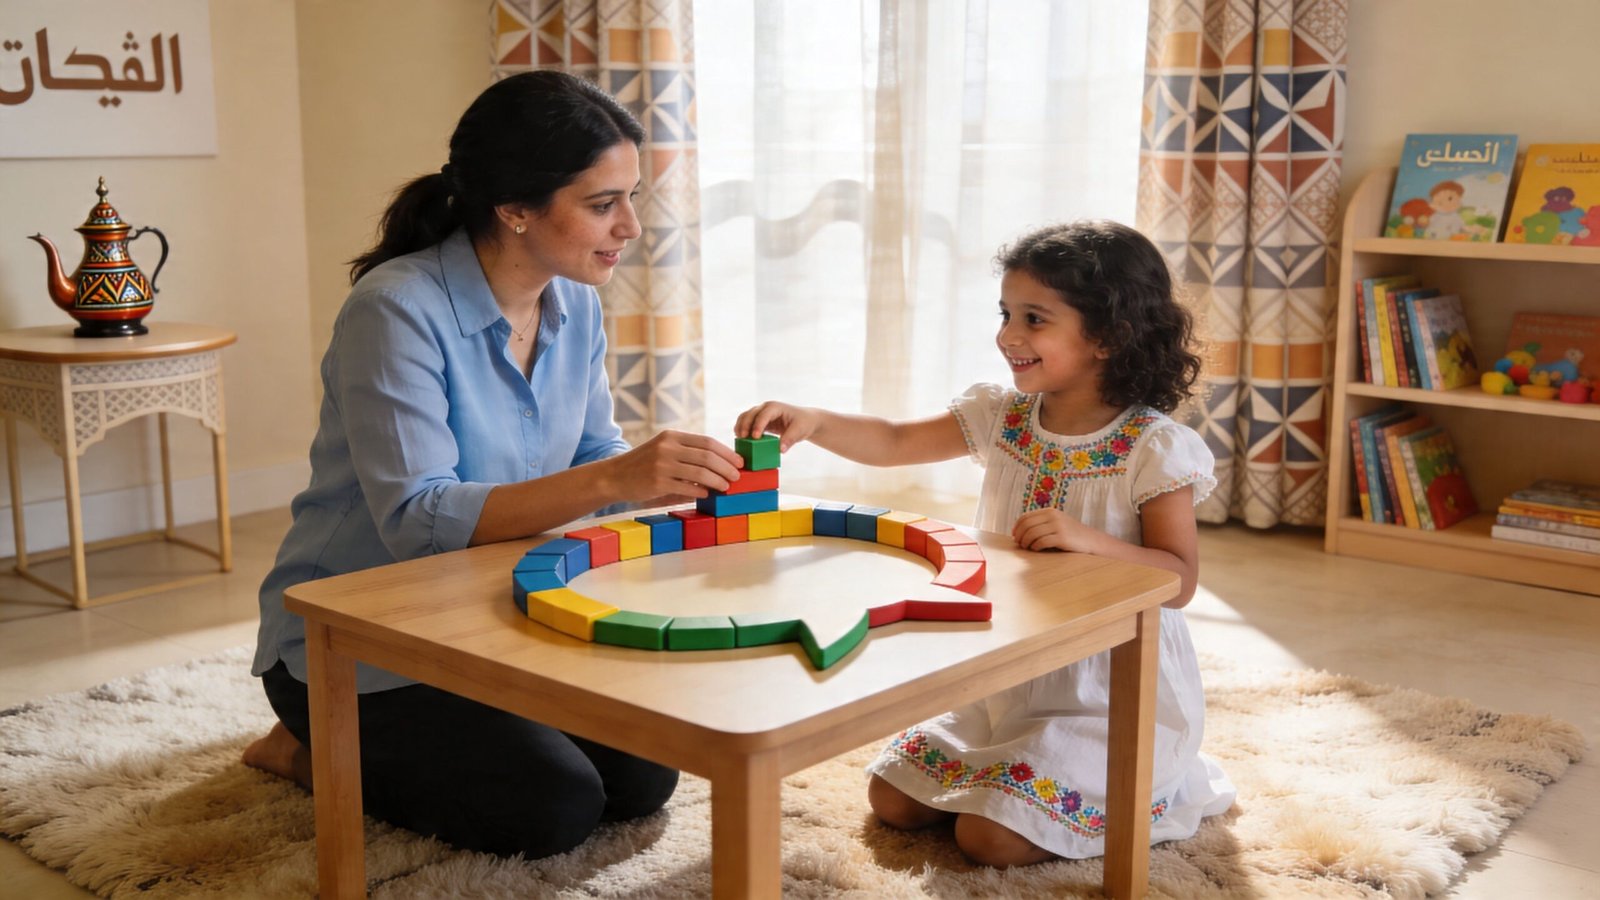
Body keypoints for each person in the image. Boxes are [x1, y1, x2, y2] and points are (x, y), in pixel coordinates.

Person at [243, 71, 745, 859]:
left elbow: (592, 453)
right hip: (358, 642)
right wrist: (616, 479)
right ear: (514, 209)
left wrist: (681, 494)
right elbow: (417, 522)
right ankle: (303, 746)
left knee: (645, 778)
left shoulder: (573, 297)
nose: (632, 228)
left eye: (632, 197)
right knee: (552, 811)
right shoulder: (395, 309)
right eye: (603, 203)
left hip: (490, 616)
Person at [734, 220, 1236, 866]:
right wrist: (815, 420)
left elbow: (1179, 578)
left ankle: (1143, 782)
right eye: (1006, 313)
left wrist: (1089, 541)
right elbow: (893, 441)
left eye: (1034, 319)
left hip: (1106, 691)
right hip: (1011, 674)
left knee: (987, 838)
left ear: (1109, 336)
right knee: (893, 797)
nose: (1008, 336)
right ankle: (1007, 778)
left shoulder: (1154, 448)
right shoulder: (1004, 416)